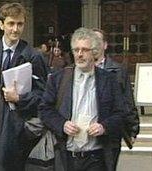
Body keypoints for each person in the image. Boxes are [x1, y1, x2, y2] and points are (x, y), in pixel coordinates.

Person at [38, 27, 125, 171]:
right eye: (76, 50)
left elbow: (121, 113)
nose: (79, 54)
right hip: (66, 156)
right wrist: (62, 124)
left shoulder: (109, 80)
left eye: (84, 50)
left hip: (96, 157)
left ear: (95, 52)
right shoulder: (58, 79)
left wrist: (104, 127)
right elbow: (44, 109)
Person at [0, 2, 48, 171]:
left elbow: (43, 94)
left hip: (15, 125)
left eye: (20, 24)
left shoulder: (33, 56)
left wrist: (20, 98)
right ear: (1, 24)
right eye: (11, 23)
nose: (15, 29)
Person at [93, 28, 140, 171]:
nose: (94, 45)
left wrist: (133, 128)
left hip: (110, 133)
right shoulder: (77, 70)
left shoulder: (118, 71)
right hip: (87, 131)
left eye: (97, 41)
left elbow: (127, 101)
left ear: (105, 45)